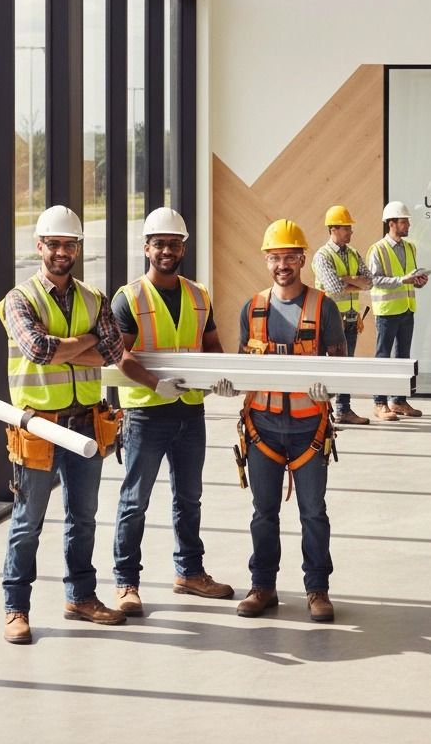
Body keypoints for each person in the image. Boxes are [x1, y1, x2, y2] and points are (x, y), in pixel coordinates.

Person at [0, 205, 160, 644]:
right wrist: (87, 341)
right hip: (38, 426)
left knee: (83, 517)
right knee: (27, 521)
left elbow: (111, 352)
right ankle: (16, 608)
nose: (62, 252)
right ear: (40, 247)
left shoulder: (94, 298)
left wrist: (69, 346)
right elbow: (36, 349)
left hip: (87, 424)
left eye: (69, 244)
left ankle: (81, 597)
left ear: (78, 248)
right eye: (54, 244)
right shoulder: (19, 298)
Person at [111, 207, 234, 617]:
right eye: (159, 243)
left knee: (190, 497)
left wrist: (219, 376)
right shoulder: (128, 298)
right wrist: (153, 384)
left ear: (184, 247)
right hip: (146, 413)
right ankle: (126, 582)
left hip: (189, 412)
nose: (167, 250)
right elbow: (120, 354)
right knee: (135, 502)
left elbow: (212, 346)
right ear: (146, 248)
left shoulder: (199, 295)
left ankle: (190, 572)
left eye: (174, 243)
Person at [235, 219, 346, 623]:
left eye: (289, 257)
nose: (282, 264)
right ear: (267, 260)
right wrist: (233, 385)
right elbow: (243, 365)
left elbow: (340, 365)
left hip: (308, 430)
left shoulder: (323, 307)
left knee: (313, 512)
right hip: (262, 427)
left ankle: (317, 589)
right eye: (275, 257)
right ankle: (262, 586)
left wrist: (328, 388)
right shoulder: (253, 308)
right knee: (263, 512)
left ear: (302, 258)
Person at [367, 200, 429, 420]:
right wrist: (404, 279)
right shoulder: (378, 249)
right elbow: (374, 280)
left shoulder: (410, 247)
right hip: (386, 311)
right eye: (404, 222)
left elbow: (408, 277)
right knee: (383, 357)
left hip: (407, 308)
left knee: (403, 358)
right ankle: (379, 402)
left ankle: (399, 401)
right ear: (391, 223)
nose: (408, 226)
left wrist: (418, 280)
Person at [312, 204, 372, 425]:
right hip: (328, 320)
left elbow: (369, 283)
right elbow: (333, 287)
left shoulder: (354, 253)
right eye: (346, 227)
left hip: (350, 318)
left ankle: (343, 410)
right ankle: (321, 412)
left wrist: (346, 278)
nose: (350, 231)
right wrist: (353, 279)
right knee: (327, 367)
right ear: (333, 229)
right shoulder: (322, 256)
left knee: (346, 366)